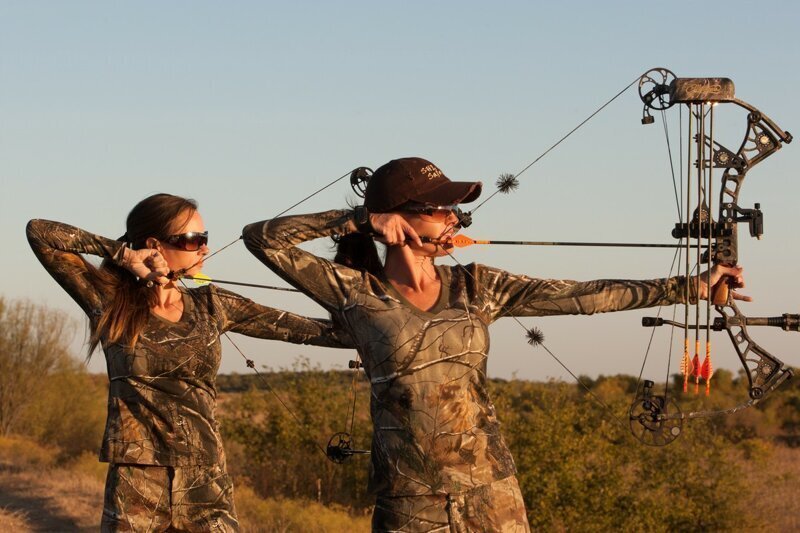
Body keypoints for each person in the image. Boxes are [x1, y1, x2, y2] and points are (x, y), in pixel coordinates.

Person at [242, 157, 747, 532]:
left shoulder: (478, 286)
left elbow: (583, 296)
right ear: (398, 216)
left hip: (492, 490)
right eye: (441, 209)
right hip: (411, 499)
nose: (455, 220)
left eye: (456, 210)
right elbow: (261, 239)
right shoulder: (356, 292)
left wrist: (689, 287)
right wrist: (358, 219)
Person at [27, 193, 349, 532]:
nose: (205, 249)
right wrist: (125, 255)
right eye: (194, 240)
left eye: (204, 238)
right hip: (137, 483)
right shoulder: (109, 300)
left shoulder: (211, 302)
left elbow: (318, 332)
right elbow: (40, 233)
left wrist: (369, 321)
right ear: (155, 244)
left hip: (205, 481)